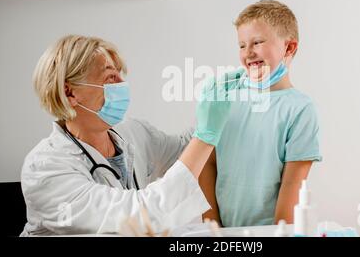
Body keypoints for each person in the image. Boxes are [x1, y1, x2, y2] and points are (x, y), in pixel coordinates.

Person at [21, 35, 242, 236]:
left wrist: (215, 105)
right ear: (70, 93)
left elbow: (183, 150)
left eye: (120, 76)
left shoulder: (132, 132)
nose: (122, 85)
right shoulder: (44, 169)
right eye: (110, 77)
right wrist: (205, 134)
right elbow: (138, 217)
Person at [199, 0, 322, 227]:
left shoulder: (300, 110)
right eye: (242, 45)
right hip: (221, 234)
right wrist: (211, 229)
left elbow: (292, 185)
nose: (248, 53)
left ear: (289, 47)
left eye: (257, 42)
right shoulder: (225, 99)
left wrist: (278, 235)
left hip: (270, 232)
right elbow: (207, 163)